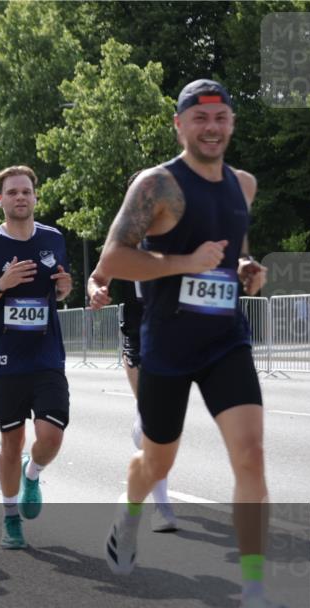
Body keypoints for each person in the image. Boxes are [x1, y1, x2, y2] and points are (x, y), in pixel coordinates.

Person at [97, 80, 286, 608]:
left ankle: (254, 598)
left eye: (222, 118)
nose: (213, 128)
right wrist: (184, 262)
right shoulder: (157, 185)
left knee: (251, 455)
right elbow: (113, 260)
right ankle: (128, 517)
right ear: (180, 125)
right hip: (169, 347)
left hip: (226, 338)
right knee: (158, 465)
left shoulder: (242, 185)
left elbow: (229, 249)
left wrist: (247, 267)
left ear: (231, 123)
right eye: (201, 119)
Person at [0, 165, 73, 550]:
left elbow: (58, 293)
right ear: (1, 200)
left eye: (26, 191)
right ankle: (11, 518)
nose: (20, 197)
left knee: (51, 435)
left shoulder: (54, 239)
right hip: (5, 360)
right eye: (12, 192)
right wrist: (1, 284)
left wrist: (64, 289)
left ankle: (34, 473)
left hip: (47, 357)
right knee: (11, 442)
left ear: (35, 196)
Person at [87, 172, 177, 534]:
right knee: (153, 418)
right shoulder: (123, 236)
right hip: (140, 326)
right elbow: (98, 276)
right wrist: (96, 291)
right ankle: (163, 506)